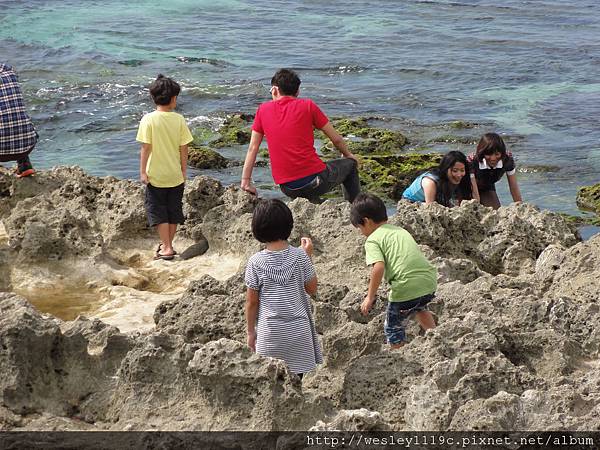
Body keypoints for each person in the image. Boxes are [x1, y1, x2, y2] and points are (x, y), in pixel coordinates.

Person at [240, 68, 360, 203]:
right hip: (316, 181)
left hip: (287, 187)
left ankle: (313, 204)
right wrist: (348, 155)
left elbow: (252, 148)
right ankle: (355, 210)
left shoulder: (262, 110)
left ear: (274, 90)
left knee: (308, 190)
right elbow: (337, 140)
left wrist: (245, 181)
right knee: (350, 165)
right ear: (297, 91)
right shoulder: (308, 106)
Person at [245, 199, 323, 377]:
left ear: (257, 229)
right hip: (299, 334)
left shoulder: (255, 262)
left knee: (271, 385)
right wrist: (308, 256)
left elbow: (251, 302)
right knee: (297, 383)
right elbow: (311, 288)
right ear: (289, 226)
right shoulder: (300, 256)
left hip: (270, 333)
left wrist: (251, 332)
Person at [351, 193, 437, 349]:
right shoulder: (399, 230)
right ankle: (436, 336)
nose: (360, 232)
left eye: (359, 227)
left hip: (405, 288)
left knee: (392, 327)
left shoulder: (373, 239)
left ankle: (398, 356)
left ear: (366, 221)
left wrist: (370, 297)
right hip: (428, 282)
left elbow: (378, 267)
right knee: (420, 307)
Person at [136, 74, 192, 260]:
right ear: (174, 98)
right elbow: (184, 148)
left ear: (153, 98)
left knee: (159, 211)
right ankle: (168, 244)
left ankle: (166, 247)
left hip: (155, 176)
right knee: (173, 211)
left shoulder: (148, 119)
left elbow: (146, 147)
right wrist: (184, 170)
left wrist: (143, 171)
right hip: (175, 175)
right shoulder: (179, 120)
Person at [0, 63, 37, 177]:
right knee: (15, 116)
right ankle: (25, 165)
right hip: (27, 143)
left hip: (2, 150)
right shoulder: (8, 70)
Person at [469, 133, 522, 209]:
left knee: (495, 211)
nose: (493, 158)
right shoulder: (472, 162)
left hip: (486, 186)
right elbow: (473, 190)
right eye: (489, 154)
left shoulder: (507, 160)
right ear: (482, 153)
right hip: (467, 186)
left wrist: (520, 208)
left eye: (497, 154)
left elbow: (514, 187)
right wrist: (477, 208)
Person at [402, 151, 474, 206]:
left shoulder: (459, 178)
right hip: (409, 204)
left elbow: (476, 199)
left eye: (462, 170)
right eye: (455, 171)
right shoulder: (430, 182)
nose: (459, 175)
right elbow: (430, 208)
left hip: (436, 201)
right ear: (445, 169)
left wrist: (471, 174)